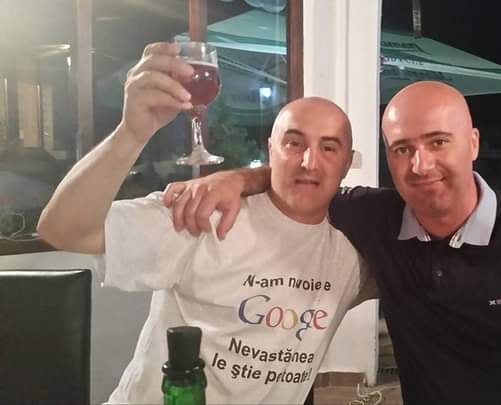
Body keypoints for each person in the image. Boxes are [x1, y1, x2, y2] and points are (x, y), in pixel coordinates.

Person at [163, 81, 501, 404]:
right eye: (402, 149)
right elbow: (305, 180)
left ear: (473, 143)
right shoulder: (375, 217)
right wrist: (239, 178)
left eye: (438, 142)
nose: (420, 165)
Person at [37, 42, 374, 404]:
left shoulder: (353, 256)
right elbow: (63, 230)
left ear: (346, 163)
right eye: (294, 143)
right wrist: (131, 133)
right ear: (270, 150)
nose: (309, 162)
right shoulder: (204, 211)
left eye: (329, 148)